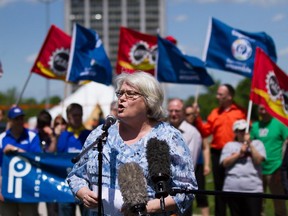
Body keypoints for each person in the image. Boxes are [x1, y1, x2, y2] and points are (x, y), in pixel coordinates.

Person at [67, 71, 197, 215]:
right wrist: (83, 192)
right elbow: (76, 175)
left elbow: (187, 191)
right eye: (120, 93)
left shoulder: (169, 137)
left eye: (130, 94)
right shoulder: (102, 133)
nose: (122, 98)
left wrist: (146, 208)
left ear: (149, 100)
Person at [193, 84, 246, 216]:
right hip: (217, 153)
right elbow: (205, 132)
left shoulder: (241, 112)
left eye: (220, 94)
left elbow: (247, 131)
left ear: (229, 96)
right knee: (219, 189)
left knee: (236, 187)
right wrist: (197, 117)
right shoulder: (214, 112)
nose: (217, 96)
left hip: (236, 153)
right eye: (217, 94)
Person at [0, 106, 42, 216]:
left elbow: (37, 158)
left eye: (21, 118)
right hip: (7, 187)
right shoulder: (2, 138)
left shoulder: (32, 136)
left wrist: (16, 150)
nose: (19, 121)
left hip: (28, 187)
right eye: (16, 119)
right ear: (9, 121)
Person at [220, 119, 266, 216]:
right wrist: (239, 154)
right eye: (241, 130)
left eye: (247, 129)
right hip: (233, 189)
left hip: (253, 190)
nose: (245, 132)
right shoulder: (229, 146)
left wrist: (250, 145)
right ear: (235, 132)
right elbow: (225, 163)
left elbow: (259, 161)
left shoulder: (258, 144)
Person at [250, 104, 288, 216]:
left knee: (279, 205)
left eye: (265, 108)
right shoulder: (255, 126)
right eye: (260, 108)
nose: (262, 111)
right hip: (257, 170)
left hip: (276, 169)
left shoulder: (279, 124)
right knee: (259, 205)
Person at [167, 98, 202, 216]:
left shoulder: (192, 133)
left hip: (182, 187)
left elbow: (190, 163)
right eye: (171, 110)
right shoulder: (162, 129)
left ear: (183, 112)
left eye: (177, 111)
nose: (173, 114)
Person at [57, 103, 91, 216]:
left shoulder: (89, 135)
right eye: (74, 115)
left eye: (79, 115)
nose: (77, 118)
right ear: (68, 117)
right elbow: (55, 156)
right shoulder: (62, 136)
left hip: (85, 186)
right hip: (65, 188)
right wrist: (55, 136)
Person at [185, 105, 210, 216]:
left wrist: (207, 165)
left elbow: (205, 147)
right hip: (184, 167)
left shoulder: (199, 128)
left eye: (191, 114)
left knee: (201, 194)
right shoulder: (181, 128)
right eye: (187, 114)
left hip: (198, 164)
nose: (189, 116)